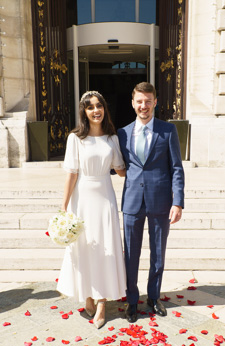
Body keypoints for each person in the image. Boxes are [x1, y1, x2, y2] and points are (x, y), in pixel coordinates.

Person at [57, 91, 127, 329]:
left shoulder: (112, 139)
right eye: (90, 107)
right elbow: (71, 174)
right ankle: (86, 293)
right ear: (84, 112)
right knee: (84, 247)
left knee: (105, 246)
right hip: (82, 198)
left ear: (104, 108)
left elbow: (121, 170)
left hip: (105, 197)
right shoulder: (75, 138)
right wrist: (64, 205)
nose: (95, 110)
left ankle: (102, 303)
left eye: (99, 106)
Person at [117, 82, 185, 322]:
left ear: (155, 102)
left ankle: (154, 297)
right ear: (132, 103)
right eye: (139, 101)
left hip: (161, 201)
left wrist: (177, 202)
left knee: (158, 253)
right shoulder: (122, 133)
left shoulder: (168, 130)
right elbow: (117, 165)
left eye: (148, 101)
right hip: (132, 202)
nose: (143, 105)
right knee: (130, 255)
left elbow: (176, 168)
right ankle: (132, 300)